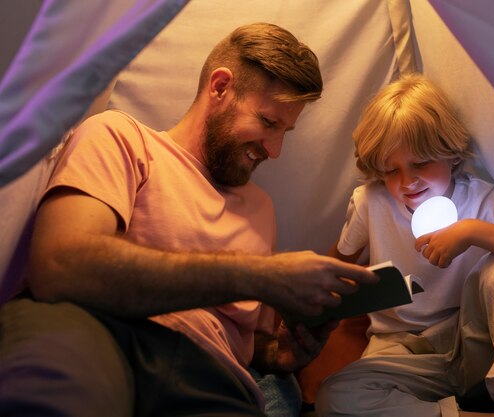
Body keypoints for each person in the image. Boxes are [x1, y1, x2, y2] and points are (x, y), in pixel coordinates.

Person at [0, 22, 378, 417]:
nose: (275, 149)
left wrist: (281, 354)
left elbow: (248, 344)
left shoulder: (261, 209)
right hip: (100, 330)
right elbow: (60, 264)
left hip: (206, 374)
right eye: (268, 122)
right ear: (219, 87)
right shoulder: (121, 137)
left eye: (286, 131)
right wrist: (260, 275)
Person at [315, 73, 494, 417]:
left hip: (476, 346)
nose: (406, 181)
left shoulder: (481, 201)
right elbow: (337, 266)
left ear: (452, 155)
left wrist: (473, 232)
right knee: (336, 397)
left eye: (420, 163)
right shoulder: (370, 202)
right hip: (402, 354)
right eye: (390, 169)